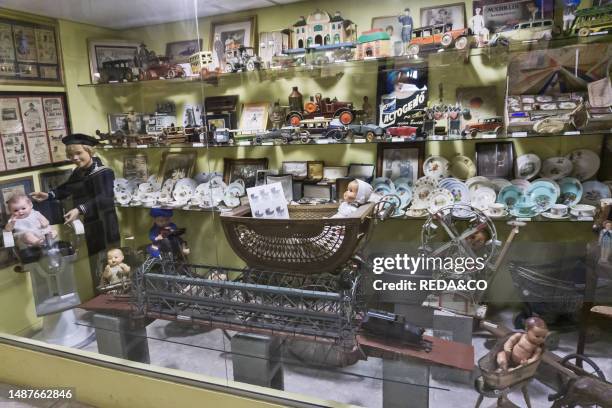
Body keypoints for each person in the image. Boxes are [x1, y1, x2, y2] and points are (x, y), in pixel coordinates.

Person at [31, 133, 120, 288]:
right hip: (90, 221)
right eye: (71, 155)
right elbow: (67, 188)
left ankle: (116, 288)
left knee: (111, 257)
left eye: (79, 153)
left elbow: (105, 197)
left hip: (105, 221)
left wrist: (79, 209)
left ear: (89, 151)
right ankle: (101, 290)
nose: (75, 158)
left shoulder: (103, 172)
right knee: (95, 258)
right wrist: (48, 195)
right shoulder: (78, 172)